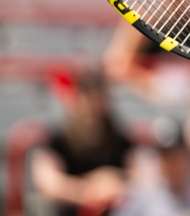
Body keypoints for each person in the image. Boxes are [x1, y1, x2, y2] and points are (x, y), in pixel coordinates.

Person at [31, 70, 134, 216]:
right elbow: (50, 184)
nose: (91, 106)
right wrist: (91, 190)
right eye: (86, 97)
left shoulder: (121, 141)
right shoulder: (55, 141)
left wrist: (115, 180)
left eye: (97, 98)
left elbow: (141, 177)